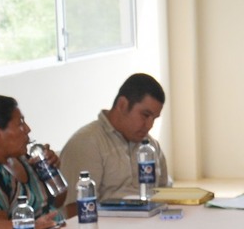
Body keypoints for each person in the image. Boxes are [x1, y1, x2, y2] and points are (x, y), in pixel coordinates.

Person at [55, 73, 173, 201]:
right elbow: (75, 208)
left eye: (154, 118)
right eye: (145, 115)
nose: (149, 125)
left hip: (152, 213)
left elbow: (165, 195)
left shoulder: (151, 145)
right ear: (122, 105)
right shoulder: (86, 143)